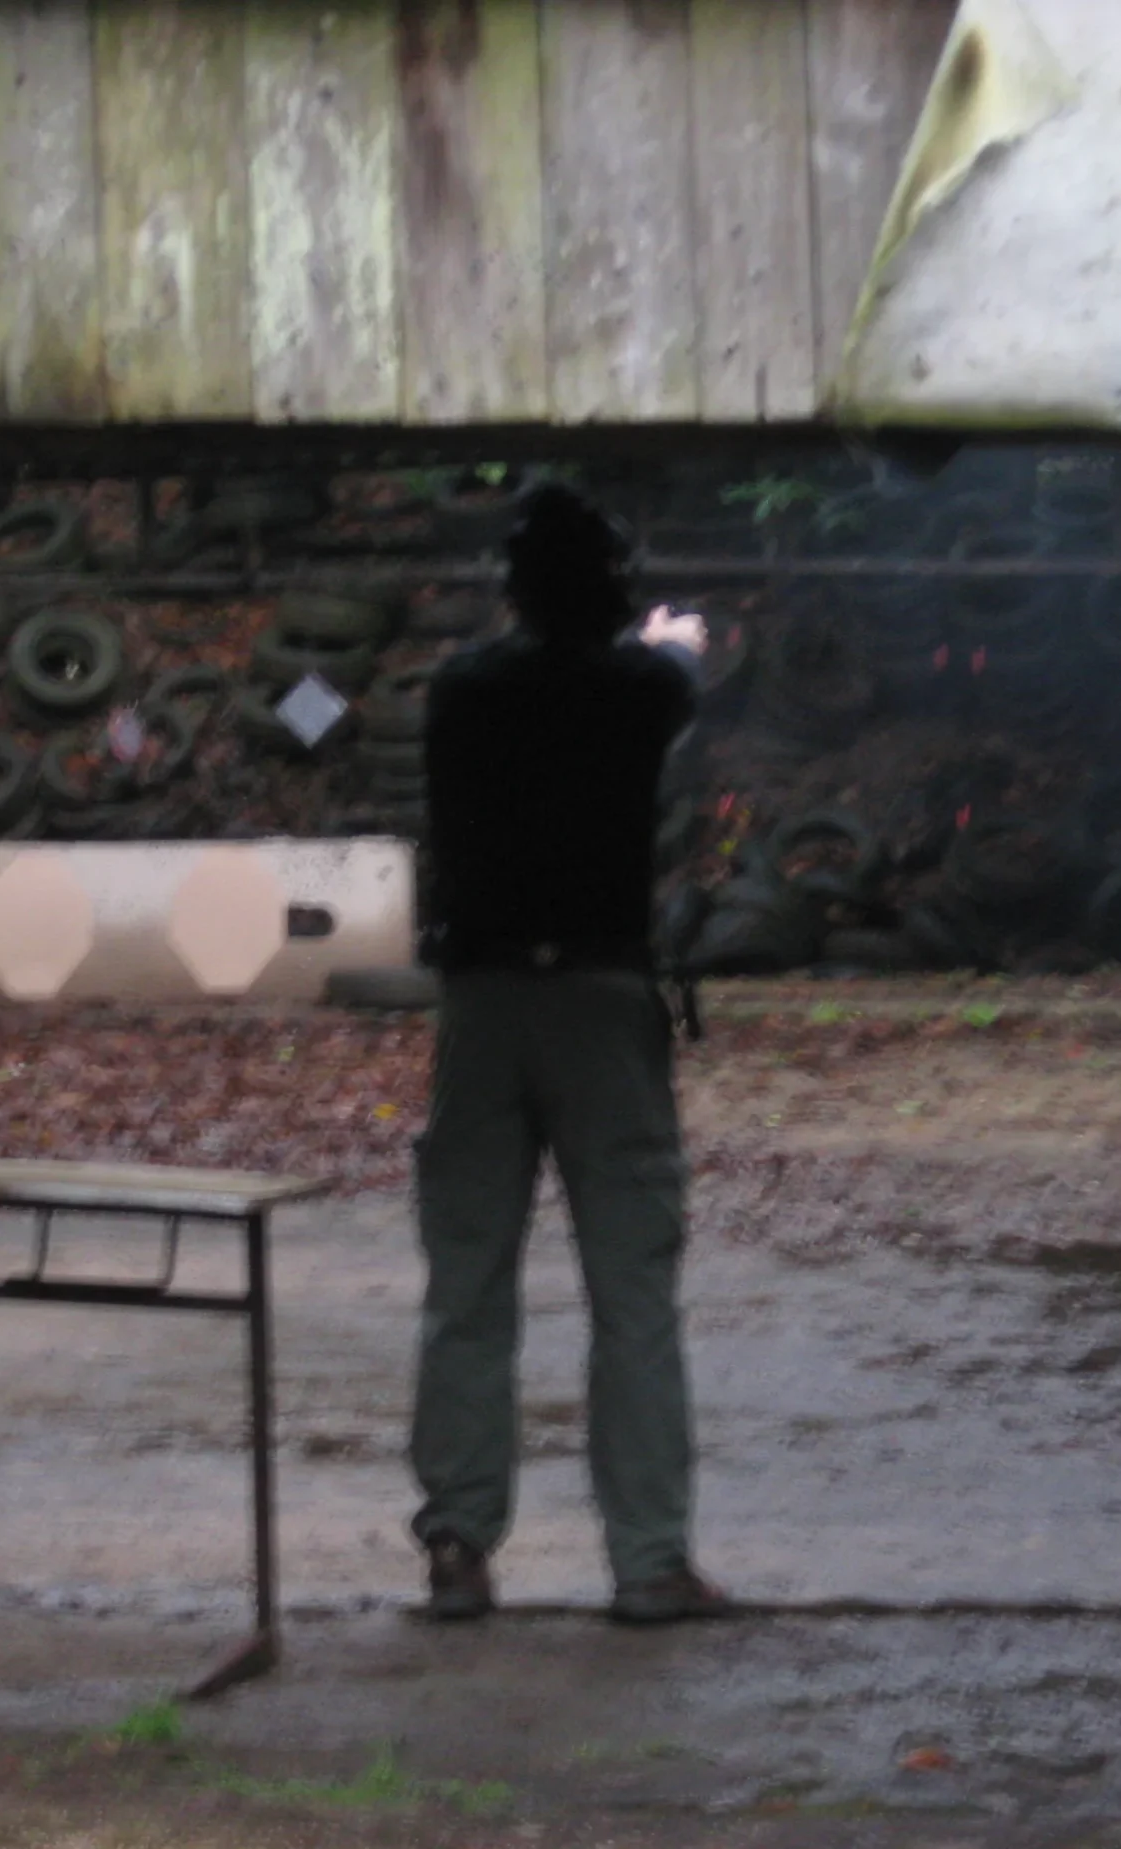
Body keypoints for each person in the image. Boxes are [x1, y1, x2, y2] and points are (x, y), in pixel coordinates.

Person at [409, 482, 725, 1625]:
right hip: (599, 997)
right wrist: (669, 641)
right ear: (614, 590)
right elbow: (670, 672)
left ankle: (456, 1545)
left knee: (467, 1286)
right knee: (633, 1293)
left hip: (483, 1001)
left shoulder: (461, 687)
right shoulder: (641, 685)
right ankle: (647, 1561)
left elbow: (545, 672)